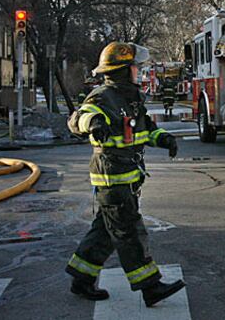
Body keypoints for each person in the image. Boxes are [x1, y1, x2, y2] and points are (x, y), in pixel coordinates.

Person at [65, 42, 185, 307]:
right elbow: (78, 119)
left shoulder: (131, 98)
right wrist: (93, 124)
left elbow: (144, 129)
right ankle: (150, 286)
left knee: (106, 231)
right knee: (129, 232)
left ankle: (81, 277)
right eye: (134, 67)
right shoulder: (103, 96)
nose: (138, 71)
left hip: (127, 177)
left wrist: (163, 138)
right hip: (112, 178)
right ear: (122, 70)